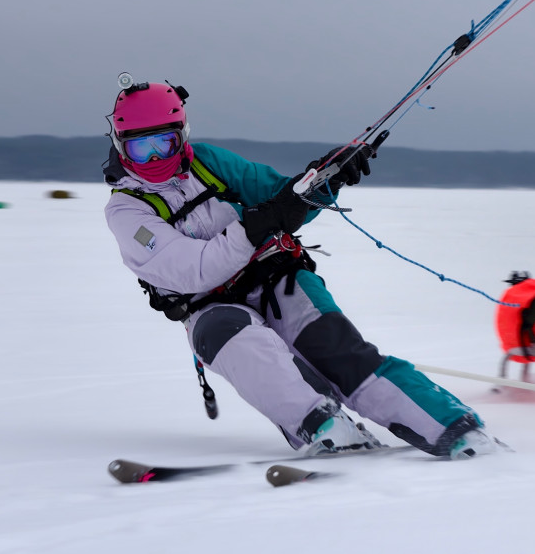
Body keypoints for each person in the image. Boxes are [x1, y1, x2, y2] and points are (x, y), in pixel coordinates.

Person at [102, 76, 497, 458]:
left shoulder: (208, 162)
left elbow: (281, 200)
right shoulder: (126, 210)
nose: (155, 158)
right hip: (209, 307)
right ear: (121, 147)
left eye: (164, 143)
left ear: (182, 135)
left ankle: (456, 429)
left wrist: (325, 180)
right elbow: (195, 270)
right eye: (141, 149)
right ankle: (323, 426)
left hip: (277, 278)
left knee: (340, 355)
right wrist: (255, 226)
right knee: (236, 340)